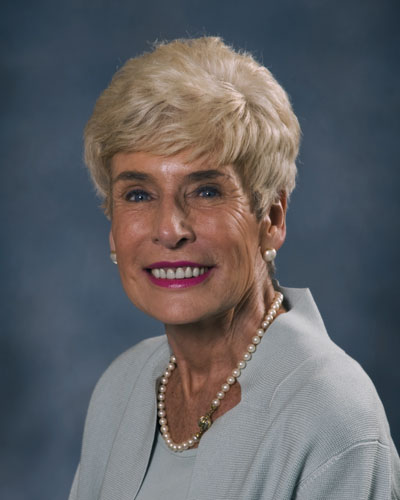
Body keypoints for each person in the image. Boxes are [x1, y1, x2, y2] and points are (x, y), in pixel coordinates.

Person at [69, 37, 400, 500]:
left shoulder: (332, 416)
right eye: (138, 195)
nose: (169, 230)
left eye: (206, 191)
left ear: (272, 219)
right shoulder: (120, 388)